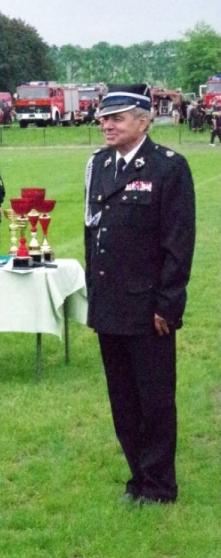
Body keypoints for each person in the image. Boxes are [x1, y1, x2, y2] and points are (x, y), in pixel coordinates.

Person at [84, 84, 195, 504]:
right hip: (110, 303)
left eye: (117, 118)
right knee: (123, 399)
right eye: (103, 119)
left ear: (143, 120)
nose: (106, 125)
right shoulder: (98, 165)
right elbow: (93, 232)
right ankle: (138, 476)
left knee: (154, 399)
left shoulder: (168, 167)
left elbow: (178, 242)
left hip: (148, 307)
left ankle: (160, 483)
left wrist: (168, 303)